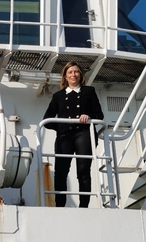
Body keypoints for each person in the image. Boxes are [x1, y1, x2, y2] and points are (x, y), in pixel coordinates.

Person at [43, 61, 104, 208]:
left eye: (76, 72)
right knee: (61, 171)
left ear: (81, 75)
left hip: (83, 134)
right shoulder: (58, 96)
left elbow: (99, 115)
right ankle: (60, 206)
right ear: (65, 76)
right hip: (64, 136)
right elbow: (46, 120)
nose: (73, 75)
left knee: (83, 170)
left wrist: (88, 116)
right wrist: (62, 125)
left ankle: (84, 206)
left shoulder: (89, 91)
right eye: (70, 72)